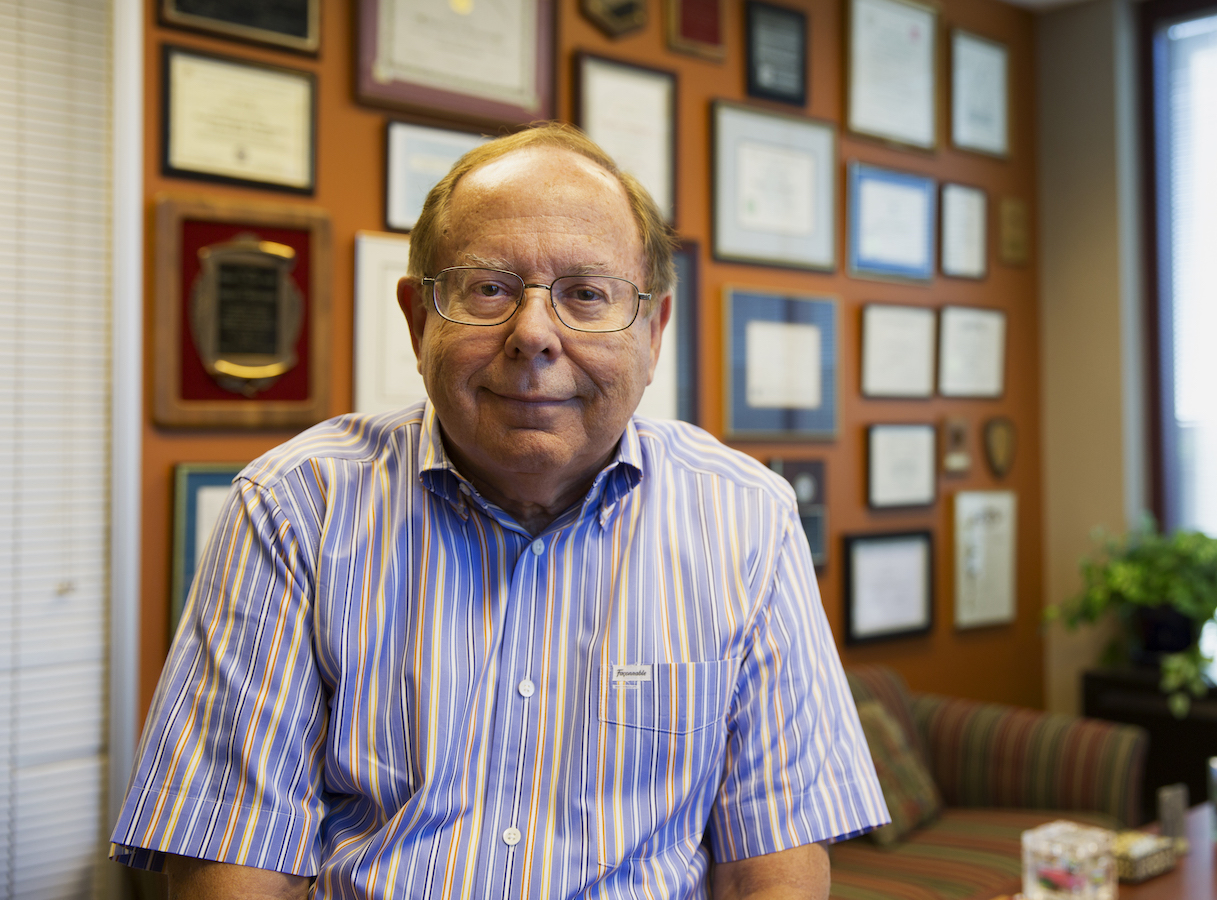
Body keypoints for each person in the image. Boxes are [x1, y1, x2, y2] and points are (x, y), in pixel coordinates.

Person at [110, 124, 887, 899]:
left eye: (586, 294)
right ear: (419, 322)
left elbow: (773, 863)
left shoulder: (746, 518)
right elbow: (236, 869)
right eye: (488, 288)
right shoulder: (291, 510)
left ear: (654, 333)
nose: (534, 335)